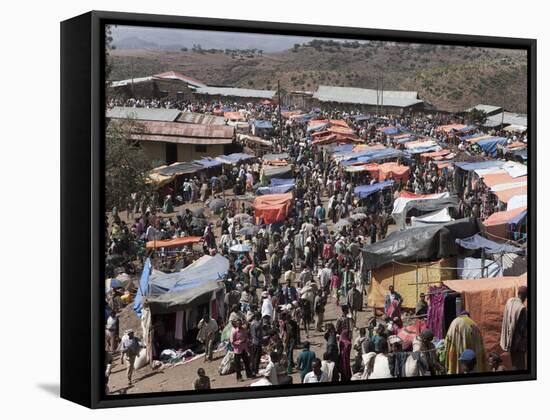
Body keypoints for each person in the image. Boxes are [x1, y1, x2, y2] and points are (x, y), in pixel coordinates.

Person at [500, 286, 528, 370]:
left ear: (518, 293)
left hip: (510, 341)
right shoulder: (522, 308)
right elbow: (521, 330)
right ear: (525, 296)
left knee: (514, 364)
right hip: (518, 345)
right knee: (519, 366)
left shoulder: (510, 301)